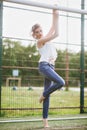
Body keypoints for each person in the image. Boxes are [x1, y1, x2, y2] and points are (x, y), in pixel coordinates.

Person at [31, 9, 65, 128]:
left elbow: (52, 27)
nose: (40, 33)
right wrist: (56, 18)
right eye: (37, 32)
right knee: (61, 82)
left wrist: (55, 14)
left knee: (48, 95)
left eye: (40, 30)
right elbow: (56, 34)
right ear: (34, 35)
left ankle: (45, 122)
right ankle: (44, 94)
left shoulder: (46, 38)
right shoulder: (40, 41)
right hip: (44, 66)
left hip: (50, 67)